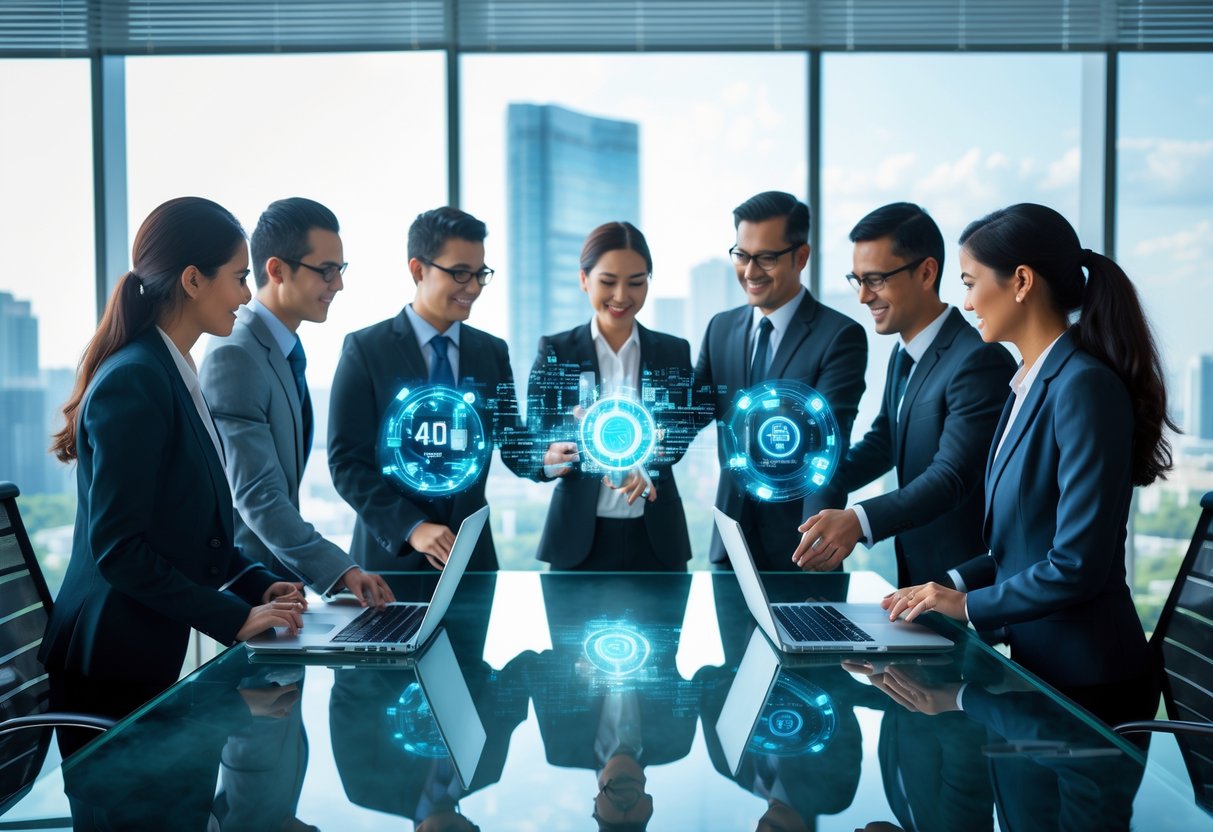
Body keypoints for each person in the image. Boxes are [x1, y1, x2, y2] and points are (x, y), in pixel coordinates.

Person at [883, 203, 1173, 726]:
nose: (967, 302)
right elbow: (1018, 544)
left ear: (1020, 282)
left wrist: (965, 607)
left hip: (1092, 687)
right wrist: (941, 588)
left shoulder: (1081, 386)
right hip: (1043, 673)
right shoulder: (1028, 384)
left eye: (971, 283)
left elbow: (1076, 565)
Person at [41, 197, 305, 751]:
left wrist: (258, 585)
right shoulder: (136, 379)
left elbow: (186, 532)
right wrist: (236, 619)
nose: (244, 295)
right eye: (237, 278)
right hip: (109, 670)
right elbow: (118, 549)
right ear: (192, 279)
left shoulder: (172, 369)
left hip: (143, 653)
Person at [794, 203, 1015, 585]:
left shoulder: (979, 361)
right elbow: (884, 442)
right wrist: (820, 478)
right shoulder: (904, 353)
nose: (863, 296)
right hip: (917, 584)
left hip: (965, 588)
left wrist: (857, 521)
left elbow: (950, 476)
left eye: (876, 280)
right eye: (857, 279)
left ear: (927, 272)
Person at [200, 197, 394, 607]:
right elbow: (258, 496)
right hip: (253, 591)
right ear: (276, 269)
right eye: (325, 271)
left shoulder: (278, 348)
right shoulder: (235, 355)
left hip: (283, 587)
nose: (337, 284)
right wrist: (342, 570)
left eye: (340, 270)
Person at [328, 206, 527, 573]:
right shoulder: (366, 349)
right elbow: (347, 464)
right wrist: (412, 527)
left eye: (480, 273)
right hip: (389, 566)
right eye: (460, 273)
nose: (473, 287)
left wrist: (558, 449)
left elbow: (515, 442)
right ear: (418, 269)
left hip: (471, 562)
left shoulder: (491, 352)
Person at [695, 191, 868, 570]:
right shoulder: (720, 329)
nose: (750, 271)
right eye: (741, 255)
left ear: (801, 257)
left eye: (766, 258)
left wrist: (814, 541)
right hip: (731, 549)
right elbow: (689, 411)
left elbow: (829, 444)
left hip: (802, 552)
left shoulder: (839, 336)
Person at [528, 221, 693, 571]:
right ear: (584, 279)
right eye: (607, 282)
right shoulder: (556, 350)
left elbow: (679, 432)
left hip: (657, 538)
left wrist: (646, 465)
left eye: (636, 282)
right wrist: (550, 457)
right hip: (577, 539)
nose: (621, 296)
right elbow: (533, 438)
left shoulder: (673, 353)